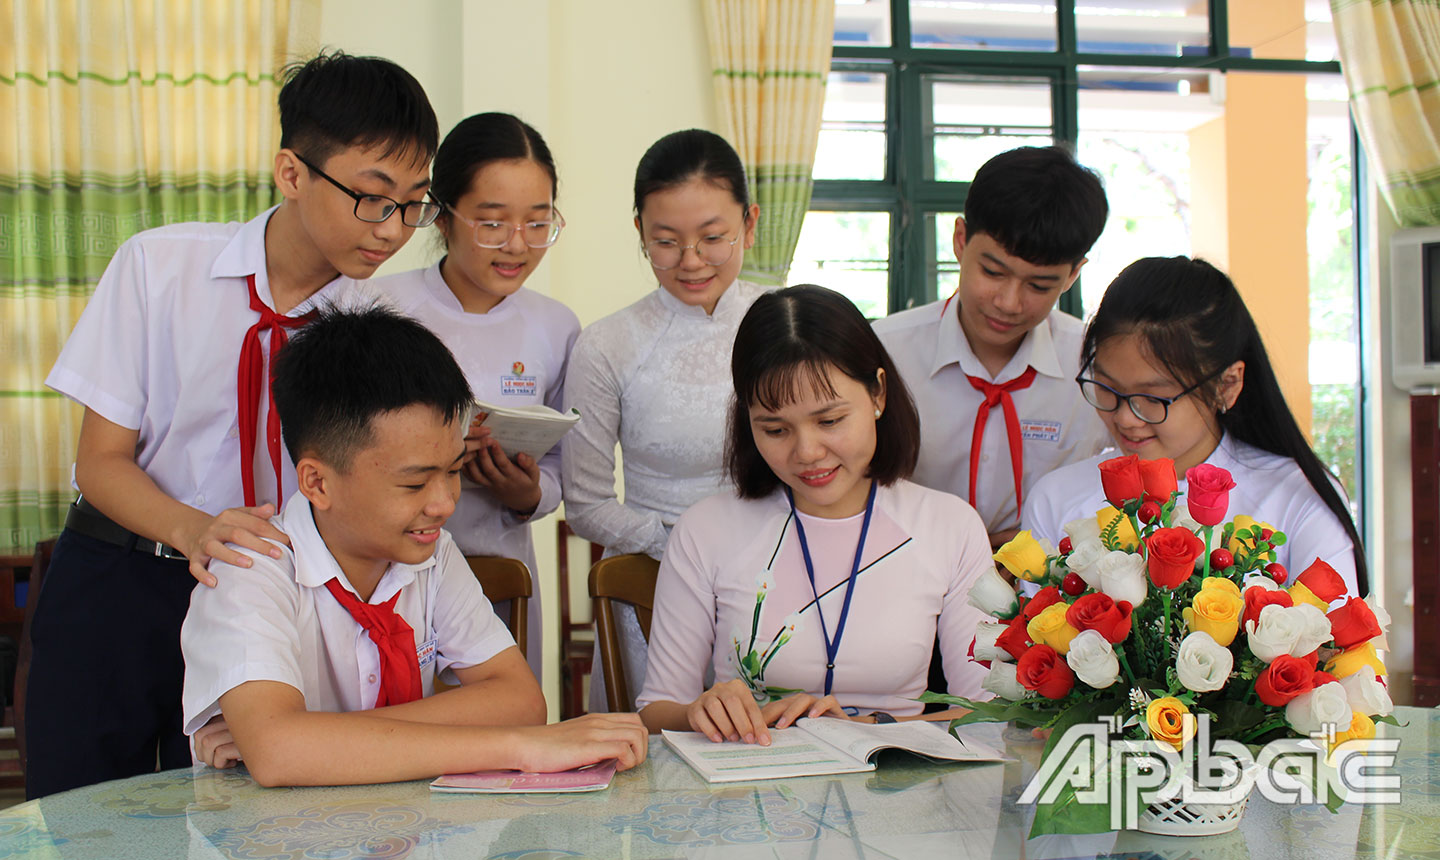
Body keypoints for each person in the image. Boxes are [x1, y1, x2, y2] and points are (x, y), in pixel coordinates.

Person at [29, 51, 440, 798]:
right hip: (121, 581)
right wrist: (193, 529)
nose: (394, 230)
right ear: (291, 173)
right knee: (77, 813)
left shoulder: (373, 331)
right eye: (375, 199)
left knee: (241, 818)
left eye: (415, 204)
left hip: (265, 603)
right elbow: (101, 461)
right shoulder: (160, 268)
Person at [180, 306, 647, 786]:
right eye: (414, 485)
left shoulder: (433, 556)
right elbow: (280, 758)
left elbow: (521, 701)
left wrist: (309, 739)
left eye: (452, 471)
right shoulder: (249, 571)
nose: (444, 504)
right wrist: (519, 747)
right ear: (318, 483)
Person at [636, 285, 993, 742]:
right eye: (775, 428)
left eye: (829, 421)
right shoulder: (706, 530)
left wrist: (866, 729)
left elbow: (987, 712)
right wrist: (702, 712)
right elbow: (656, 710)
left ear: (878, 394)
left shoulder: (949, 527)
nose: (807, 452)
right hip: (752, 785)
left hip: (895, 783)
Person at [562, 129, 766, 710]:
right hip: (652, 594)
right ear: (640, 233)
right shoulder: (607, 345)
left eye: (712, 238)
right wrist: (682, 548)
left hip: (778, 583)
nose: (691, 261)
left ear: (749, 223)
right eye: (666, 241)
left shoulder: (784, 322)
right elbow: (586, 505)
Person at [1022, 256, 1368, 597]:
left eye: (1154, 398)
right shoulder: (1057, 498)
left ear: (1227, 385)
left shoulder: (1298, 497)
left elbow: (1341, 647)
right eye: (1107, 388)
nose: (1126, 418)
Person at [374, 113, 579, 677]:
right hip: (386, 570)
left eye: (538, 224)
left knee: (503, 734)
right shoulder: (380, 309)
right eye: (492, 223)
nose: (517, 245)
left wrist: (528, 492)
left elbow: (563, 464)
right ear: (442, 216)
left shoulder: (555, 326)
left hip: (502, 575)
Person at [873, 146, 1112, 550]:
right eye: (992, 271)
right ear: (960, 239)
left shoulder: (1094, 367)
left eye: (1039, 286)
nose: (1008, 302)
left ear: (1073, 274)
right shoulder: (885, 352)